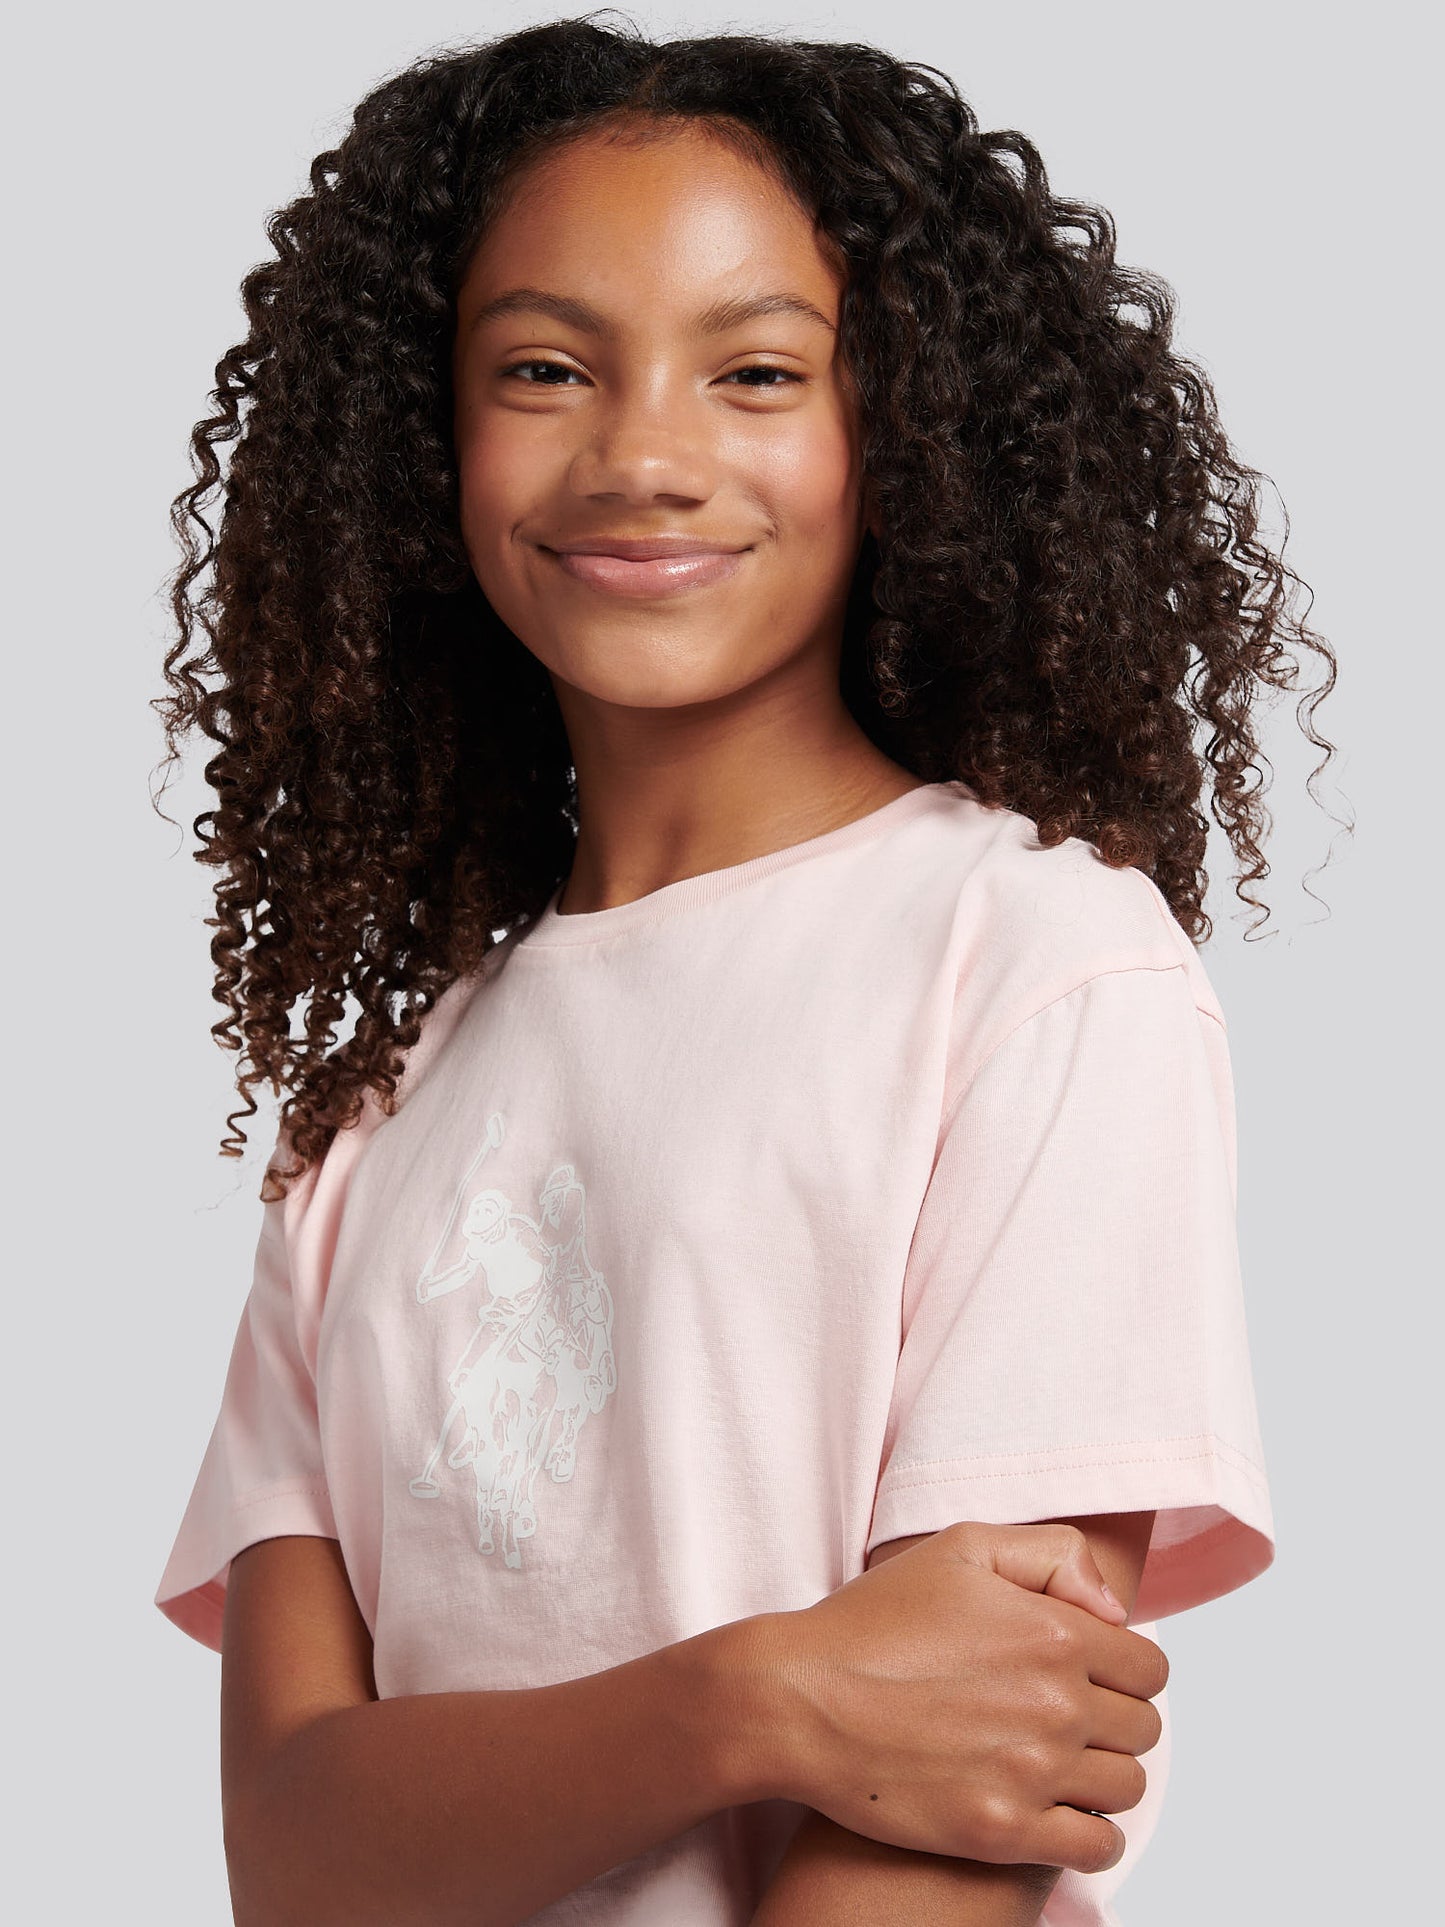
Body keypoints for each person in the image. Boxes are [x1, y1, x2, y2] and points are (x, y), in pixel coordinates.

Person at [150, 17, 1334, 1925]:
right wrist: (753, 1701)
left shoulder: (1029, 966)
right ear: (424, 444)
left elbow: (964, 1794)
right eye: (544, 368)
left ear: (904, 440)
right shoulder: (370, 1112)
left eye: (758, 371)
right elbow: (294, 1859)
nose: (641, 454)